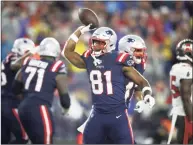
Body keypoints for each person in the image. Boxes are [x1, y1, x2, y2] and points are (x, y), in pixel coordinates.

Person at [62, 24, 155, 144]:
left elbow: (139, 85)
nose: (95, 46)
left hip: (116, 115)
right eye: (94, 42)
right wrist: (80, 30)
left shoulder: (122, 62)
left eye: (100, 43)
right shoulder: (111, 60)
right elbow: (68, 53)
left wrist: (144, 97)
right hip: (101, 114)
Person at [12, 37, 71, 144]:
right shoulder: (56, 66)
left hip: (22, 109)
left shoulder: (29, 62)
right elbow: (65, 98)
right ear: (56, 53)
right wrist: (66, 107)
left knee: (26, 141)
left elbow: (15, 88)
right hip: (40, 108)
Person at [1, 38, 35, 144]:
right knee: (24, 137)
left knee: (4, 139)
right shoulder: (13, 58)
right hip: (10, 103)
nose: (30, 56)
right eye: (28, 52)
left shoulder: (10, 58)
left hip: (5, 102)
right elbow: (15, 65)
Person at [167, 39, 193, 144]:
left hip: (180, 113)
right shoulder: (186, 70)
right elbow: (186, 98)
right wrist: (191, 120)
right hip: (185, 115)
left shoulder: (176, 67)